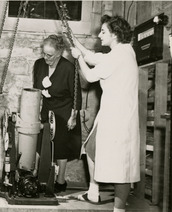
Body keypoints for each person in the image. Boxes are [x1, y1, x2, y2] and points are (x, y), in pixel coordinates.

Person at [70, 15, 140, 212]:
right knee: (91, 148)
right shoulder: (124, 51)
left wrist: (77, 58)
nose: (99, 36)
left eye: (103, 32)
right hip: (113, 113)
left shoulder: (119, 55)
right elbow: (93, 57)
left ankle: (118, 209)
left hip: (118, 117)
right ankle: (94, 191)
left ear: (115, 34)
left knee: (121, 167)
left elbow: (90, 75)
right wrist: (75, 42)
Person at [33, 34, 82, 193]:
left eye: (50, 55)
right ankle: (38, 177)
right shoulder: (39, 64)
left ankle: (60, 181)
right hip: (47, 108)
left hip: (64, 109)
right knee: (41, 142)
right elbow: (35, 89)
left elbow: (77, 95)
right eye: (44, 53)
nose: (46, 57)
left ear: (59, 53)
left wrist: (73, 117)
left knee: (61, 144)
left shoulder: (68, 68)